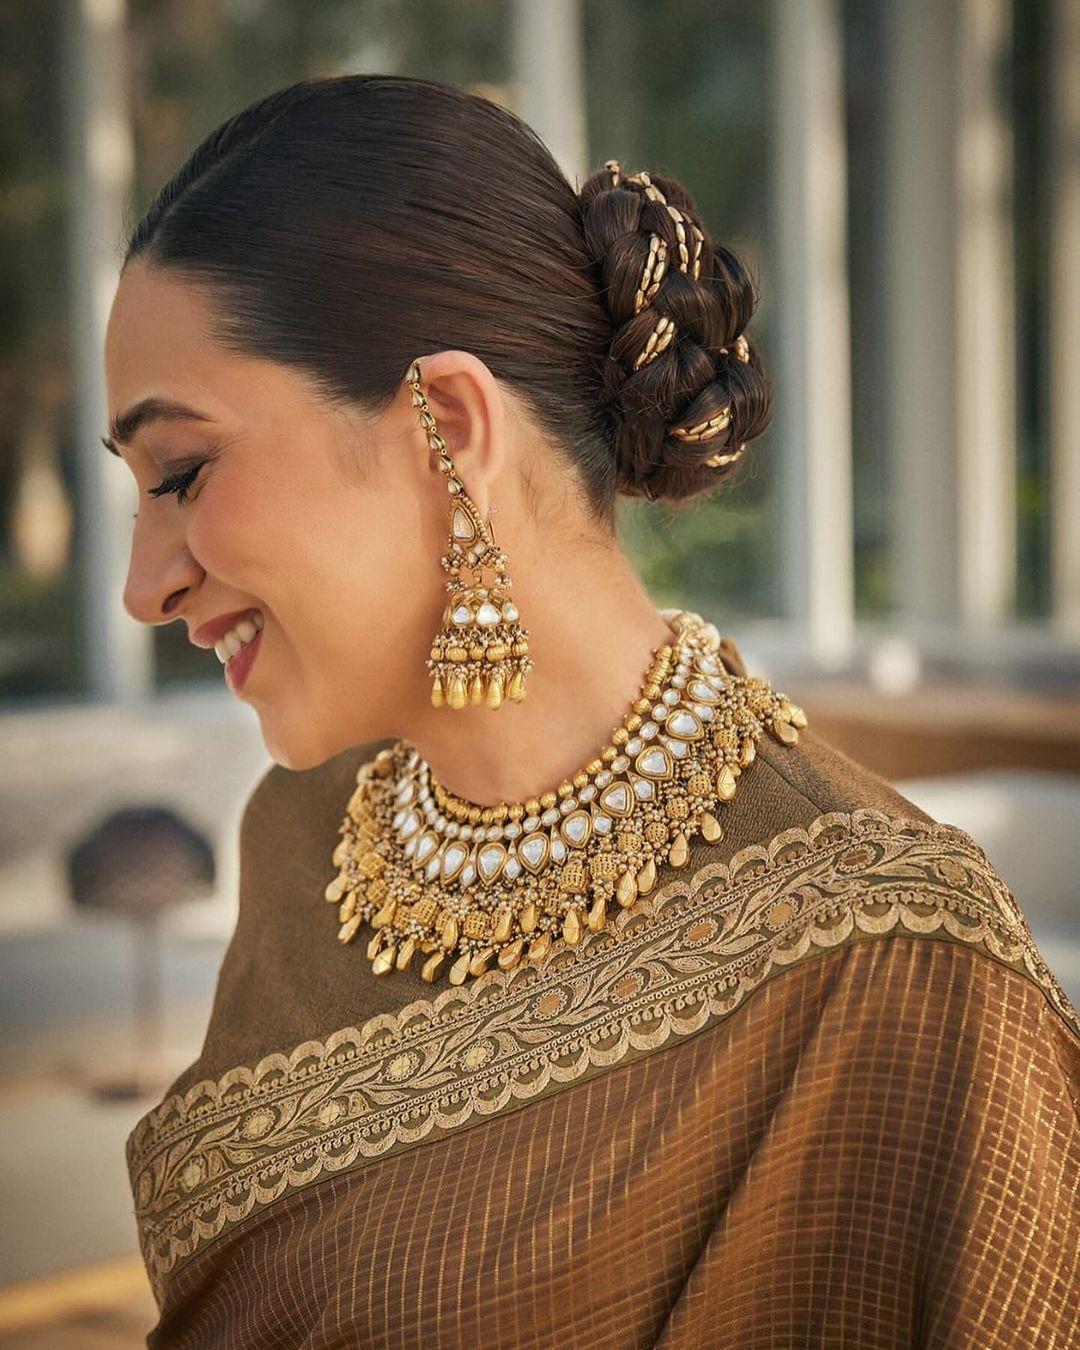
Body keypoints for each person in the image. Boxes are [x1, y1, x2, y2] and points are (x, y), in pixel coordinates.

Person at [107, 74, 1079, 1348]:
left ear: (448, 427)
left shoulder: (897, 956)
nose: (143, 588)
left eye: (182, 472)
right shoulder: (304, 837)